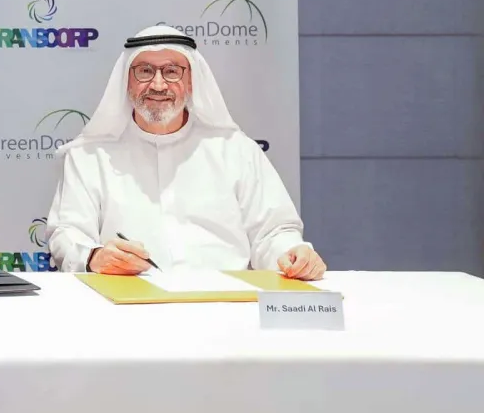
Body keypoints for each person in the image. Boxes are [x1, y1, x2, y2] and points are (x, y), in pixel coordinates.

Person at [46, 24, 326, 280]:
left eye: (172, 71)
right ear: (126, 82)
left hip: (225, 303)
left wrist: (292, 253)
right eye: (144, 71)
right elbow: (67, 234)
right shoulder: (89, 156)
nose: (158, 85)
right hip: (127, 305)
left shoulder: (236, 151)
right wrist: (93, 257)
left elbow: (273, 232)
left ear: (192, 81)